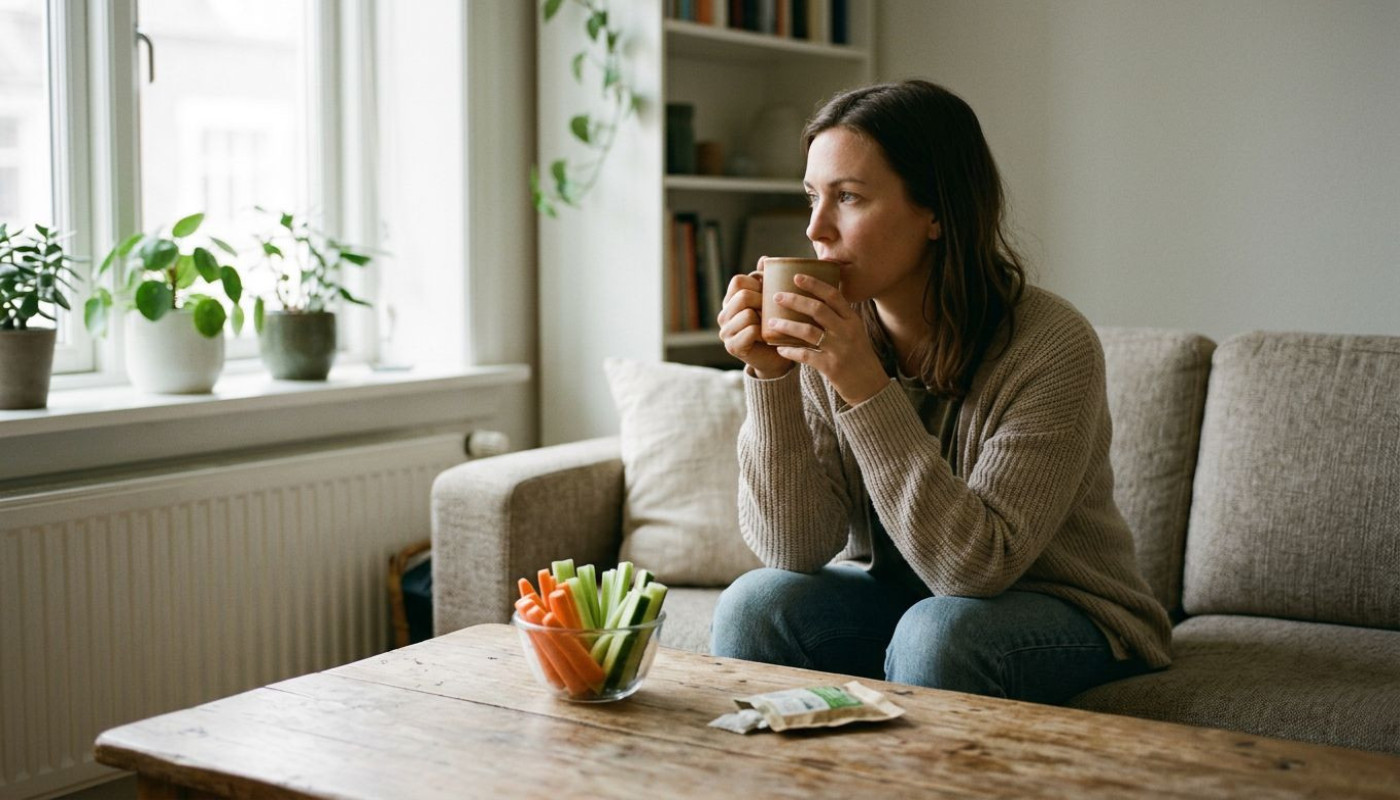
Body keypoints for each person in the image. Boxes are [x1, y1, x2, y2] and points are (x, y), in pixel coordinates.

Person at [710, 80, 1171, 705]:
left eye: (848, 198)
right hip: (913, 600)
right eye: (813, 197)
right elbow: (794, 548)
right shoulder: (837, 333)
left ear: (935, 212)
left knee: (939, 634)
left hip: (1065, 608)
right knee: (755, 603)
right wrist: (772, 379)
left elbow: (975, 568)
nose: (817, 229)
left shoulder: (1052, 346)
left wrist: (866, 387)